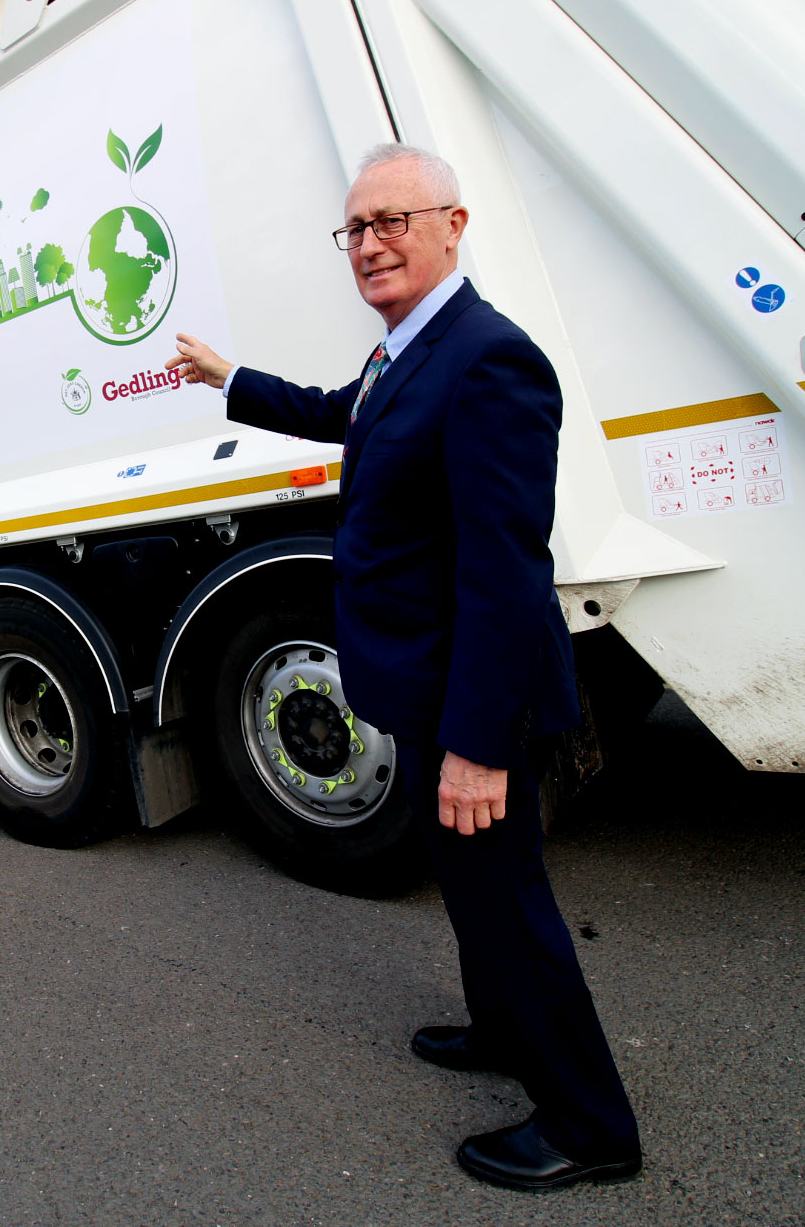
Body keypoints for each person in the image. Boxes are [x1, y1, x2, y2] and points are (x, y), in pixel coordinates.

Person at [168, 144, 641, 1191]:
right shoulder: (406, 351)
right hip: (429, 688)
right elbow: (349, 412)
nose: (371, 244)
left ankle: (589, 1123)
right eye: (357, 229)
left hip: (476, 703)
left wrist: (480, 745)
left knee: (507, 896)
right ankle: (501, 1026)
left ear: (453, 224)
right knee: (473, 889)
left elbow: (506, 574)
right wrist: (229, 379)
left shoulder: (487, 359)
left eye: (393, 221)